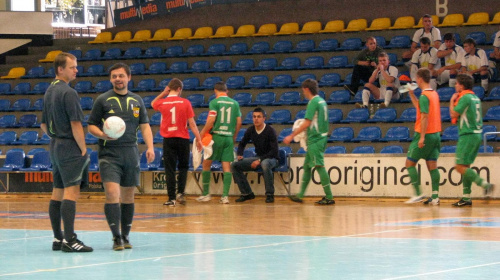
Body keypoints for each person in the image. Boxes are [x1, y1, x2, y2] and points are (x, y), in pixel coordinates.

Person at [87, 63, 155, 251]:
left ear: (128, 77)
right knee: (112, 193)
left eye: (121, 76)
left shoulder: (137, 100)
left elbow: (145, 126)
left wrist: (150, 147)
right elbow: (91, 125)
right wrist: (101, 134)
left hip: (131, 153)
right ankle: (116, 237)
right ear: (111, 79)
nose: (118, 79)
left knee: (128, 196)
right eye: (114, 76)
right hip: (109, 154)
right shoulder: (103, 100)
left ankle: (125, 235)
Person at [41, 52, 93, 252]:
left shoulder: (48, 91)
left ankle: (58, 238)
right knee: (72, 191)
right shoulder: (68, 92)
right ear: (60, 69)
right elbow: (76, 124)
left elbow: (44, 125)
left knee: (57, 192)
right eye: (72, 67)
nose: (76, 70)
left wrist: (57, 138)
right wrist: (83, 148)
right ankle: (70, 240)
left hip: (55, 145)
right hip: (69, 146)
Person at [151, 78, 202, 207]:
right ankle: (181, 193)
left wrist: (163, 93)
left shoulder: (163, 102)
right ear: (179, 89)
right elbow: (192, 124)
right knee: (183, 167)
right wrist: (199, 139)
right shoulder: (185, 102)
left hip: (168, 139)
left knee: (170, 169)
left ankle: (171, 198)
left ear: (169, 88)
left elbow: (153, 103)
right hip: (183, 139)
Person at [283, 79, 334, 205]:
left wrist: (292, 135)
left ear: (306, 89)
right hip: (320, 137)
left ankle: (329, 197)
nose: (303, 93)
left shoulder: (313, 102)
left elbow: (307, 122)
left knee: (319, 166)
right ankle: (300, 195)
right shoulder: (322, 101)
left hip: (316, 139)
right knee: (307, 166)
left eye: (303, 90)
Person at [449, 74, 495, 207]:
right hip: (477, 134)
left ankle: (485, 184)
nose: (455, 85)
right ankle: (466, 197)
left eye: (457, 83)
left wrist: (452, 101)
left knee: (459, 167)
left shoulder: (465, 97)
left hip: (467, 135)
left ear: (462, 86)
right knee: (465, 166)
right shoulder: (475, 97)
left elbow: (453, 114)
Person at [196, 81, 241, 204]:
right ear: (226, 90)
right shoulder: (235, 103)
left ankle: (206, 194)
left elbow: (211, 120)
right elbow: (239, 122)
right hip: (228, 137)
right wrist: (234, 136)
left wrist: (201, 134)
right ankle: (225, 196)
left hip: (216, 137)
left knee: (206, 164)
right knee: (226, 167)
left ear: (215, 91)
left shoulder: (214, 102)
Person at [404, 68, 441, 205]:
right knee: (432, 164)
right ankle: (435, 196)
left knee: (409, 163)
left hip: (425, 133)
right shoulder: (434, 94)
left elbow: (424, 117)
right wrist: (412, 95)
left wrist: (422, 137)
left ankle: (418, 193)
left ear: (419, 79)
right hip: (436, 134)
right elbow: (420, 109)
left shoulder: (425, 96)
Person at [231, 107, 279, 203]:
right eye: (254, 117)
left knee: (265, 164)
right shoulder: (251, 130)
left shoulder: (270, 130)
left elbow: (274, 151)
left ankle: (270, 194)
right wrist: (240, 154)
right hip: (259, 157)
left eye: (258, 117)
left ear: (264, 118)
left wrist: (259, 160)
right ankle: (247, 193)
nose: (256, 119)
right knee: (235, 165)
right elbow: (242, 143)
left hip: (272, 158)